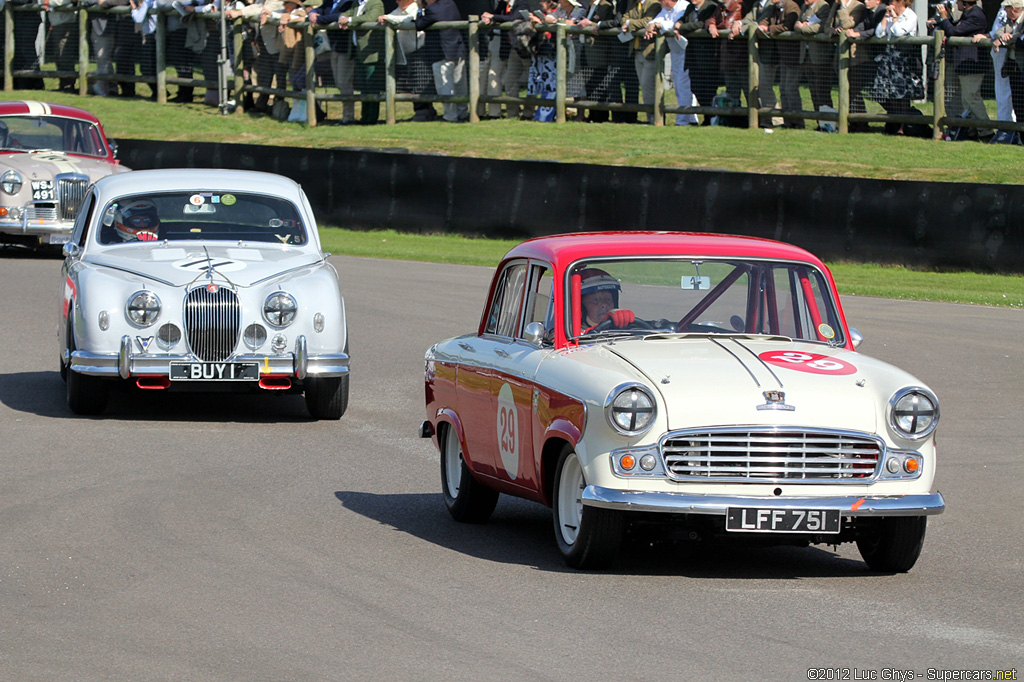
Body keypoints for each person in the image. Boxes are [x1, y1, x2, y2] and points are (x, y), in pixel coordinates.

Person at [930, 0, 990, 135]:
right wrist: (942, 20)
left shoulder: (976, 15)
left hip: (972, 64)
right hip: (964, 64)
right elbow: (957, 26)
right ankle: (972, 129)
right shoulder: (968, 14)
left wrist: (945, 18)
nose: (956, 4)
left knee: (972, 98)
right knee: (966, 100)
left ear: (965, 3)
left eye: (958, 1)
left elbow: (954, 31)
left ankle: (986, 130)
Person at [870, 0, 924, 135]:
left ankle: (902, 126)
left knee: (903, 96)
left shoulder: (911, 16)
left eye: (893, 1)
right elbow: (879, 33)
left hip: (904, 62)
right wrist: (885, 17)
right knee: (890, 94)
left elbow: (899, 32)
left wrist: (894, 18)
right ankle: (893, 124)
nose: (891, 3)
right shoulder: (889, 15)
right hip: (889, 60)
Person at [378, 0, 434, 120]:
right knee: (412, 83)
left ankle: (424, 112)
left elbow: (410, 19)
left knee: (420, 82)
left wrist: (388, 18)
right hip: (404, 54)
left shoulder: (417, 9)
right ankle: (421, 111)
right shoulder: (396, 12)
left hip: (419, 51)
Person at [416, 0, 470, 121]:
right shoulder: (451, 3)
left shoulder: (432, 10)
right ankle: (462, 113)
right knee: (460, 85)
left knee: (445, 85)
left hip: (441, 52)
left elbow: (419, 24)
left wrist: (420, 10)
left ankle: (450, 116)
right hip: (458, 48)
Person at [643, 0, 693, 125]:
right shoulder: (666, 9)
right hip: (675, 52)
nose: (661, 2)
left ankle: (684, 120)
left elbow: (675, 24)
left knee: (683, 87)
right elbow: (656, 19)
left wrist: (658, 25)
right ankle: (690, 119)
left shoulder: (683, 6)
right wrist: (651, 24)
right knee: (679, 87)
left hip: (686, 52)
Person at [675, 0, 724, 124]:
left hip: (708, 56)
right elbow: (684, 19)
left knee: (709, 88)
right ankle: (708, 116)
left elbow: (702, 24)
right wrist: (678, 24)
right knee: (696, 87)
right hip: (693, 56)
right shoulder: (690, 8)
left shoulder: (711, 6)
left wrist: (683, 27)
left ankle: (710, 118)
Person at [309, 0, 357, 123]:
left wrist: (320, 19)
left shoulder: (349, 2)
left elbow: (338, 16)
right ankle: (346, 116)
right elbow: (320, 9)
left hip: (345, 48)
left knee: (344, 82)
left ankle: (348, 117)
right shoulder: (329, 2)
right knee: (338, 82)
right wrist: (313, 13)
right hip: (333, 47)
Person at [756, 0, 800, 127]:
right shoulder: (774, 7)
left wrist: (769, 28)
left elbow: (787, 26)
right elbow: (765, 20)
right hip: (783, 54)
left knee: (790, 89)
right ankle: (788, 121)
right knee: (783, 89)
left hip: (793, 54)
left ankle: (797, 121)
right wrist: (762, 26)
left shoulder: (791, 6)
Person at [621, 0, 663, 123]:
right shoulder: (632, 3)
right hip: (636, 50)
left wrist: (629, 24)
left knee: (648, 86)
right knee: (644, 86)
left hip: (649, 51)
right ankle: (650, 117)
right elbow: (624, 18)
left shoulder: (654, 4)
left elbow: (647, 21)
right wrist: (628, 22)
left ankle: (654, 117)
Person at [845, 0, 884, 129]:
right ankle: (858, 122)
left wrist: (859, 34)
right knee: (856, 87)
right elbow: (861, 26)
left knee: (881, 93)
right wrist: (853, 32)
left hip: (883, 58)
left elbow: (877, 31)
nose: (866, 1)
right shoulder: (868, 11)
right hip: (872, 57)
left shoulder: (882, 10)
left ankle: (900, 122)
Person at [794, 0, 834, 118]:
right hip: (806, 55)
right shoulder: (804, 7)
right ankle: (819, 119)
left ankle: (828, 121)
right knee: (813, 91)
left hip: (820, 56)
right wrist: (799, 26)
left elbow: (821, 27)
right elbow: (797, 23)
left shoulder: (824, 6)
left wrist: (804, 29)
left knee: (822, 91)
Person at [981, 4, 1017, 126]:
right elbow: (998, 29)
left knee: (1013, 92)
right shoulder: (1004, 6)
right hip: (999, 52)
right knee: (1002, 91)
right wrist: (988, 36)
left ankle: (1011, 126)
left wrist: (1002, 39)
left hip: (1012, 54)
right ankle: (1004, 125)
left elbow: (1016, 30)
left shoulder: (1017, 5)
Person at [991, 0, 1024, 123]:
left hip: (1022, 66)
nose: (1004, 11)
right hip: (1014, 67)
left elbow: (1020, 37)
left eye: (1007, 8)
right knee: (1018, 104)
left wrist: (1006, 39)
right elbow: (999, 31)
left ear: (1014, 9)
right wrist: (1002, 36)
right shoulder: (1010, 20)